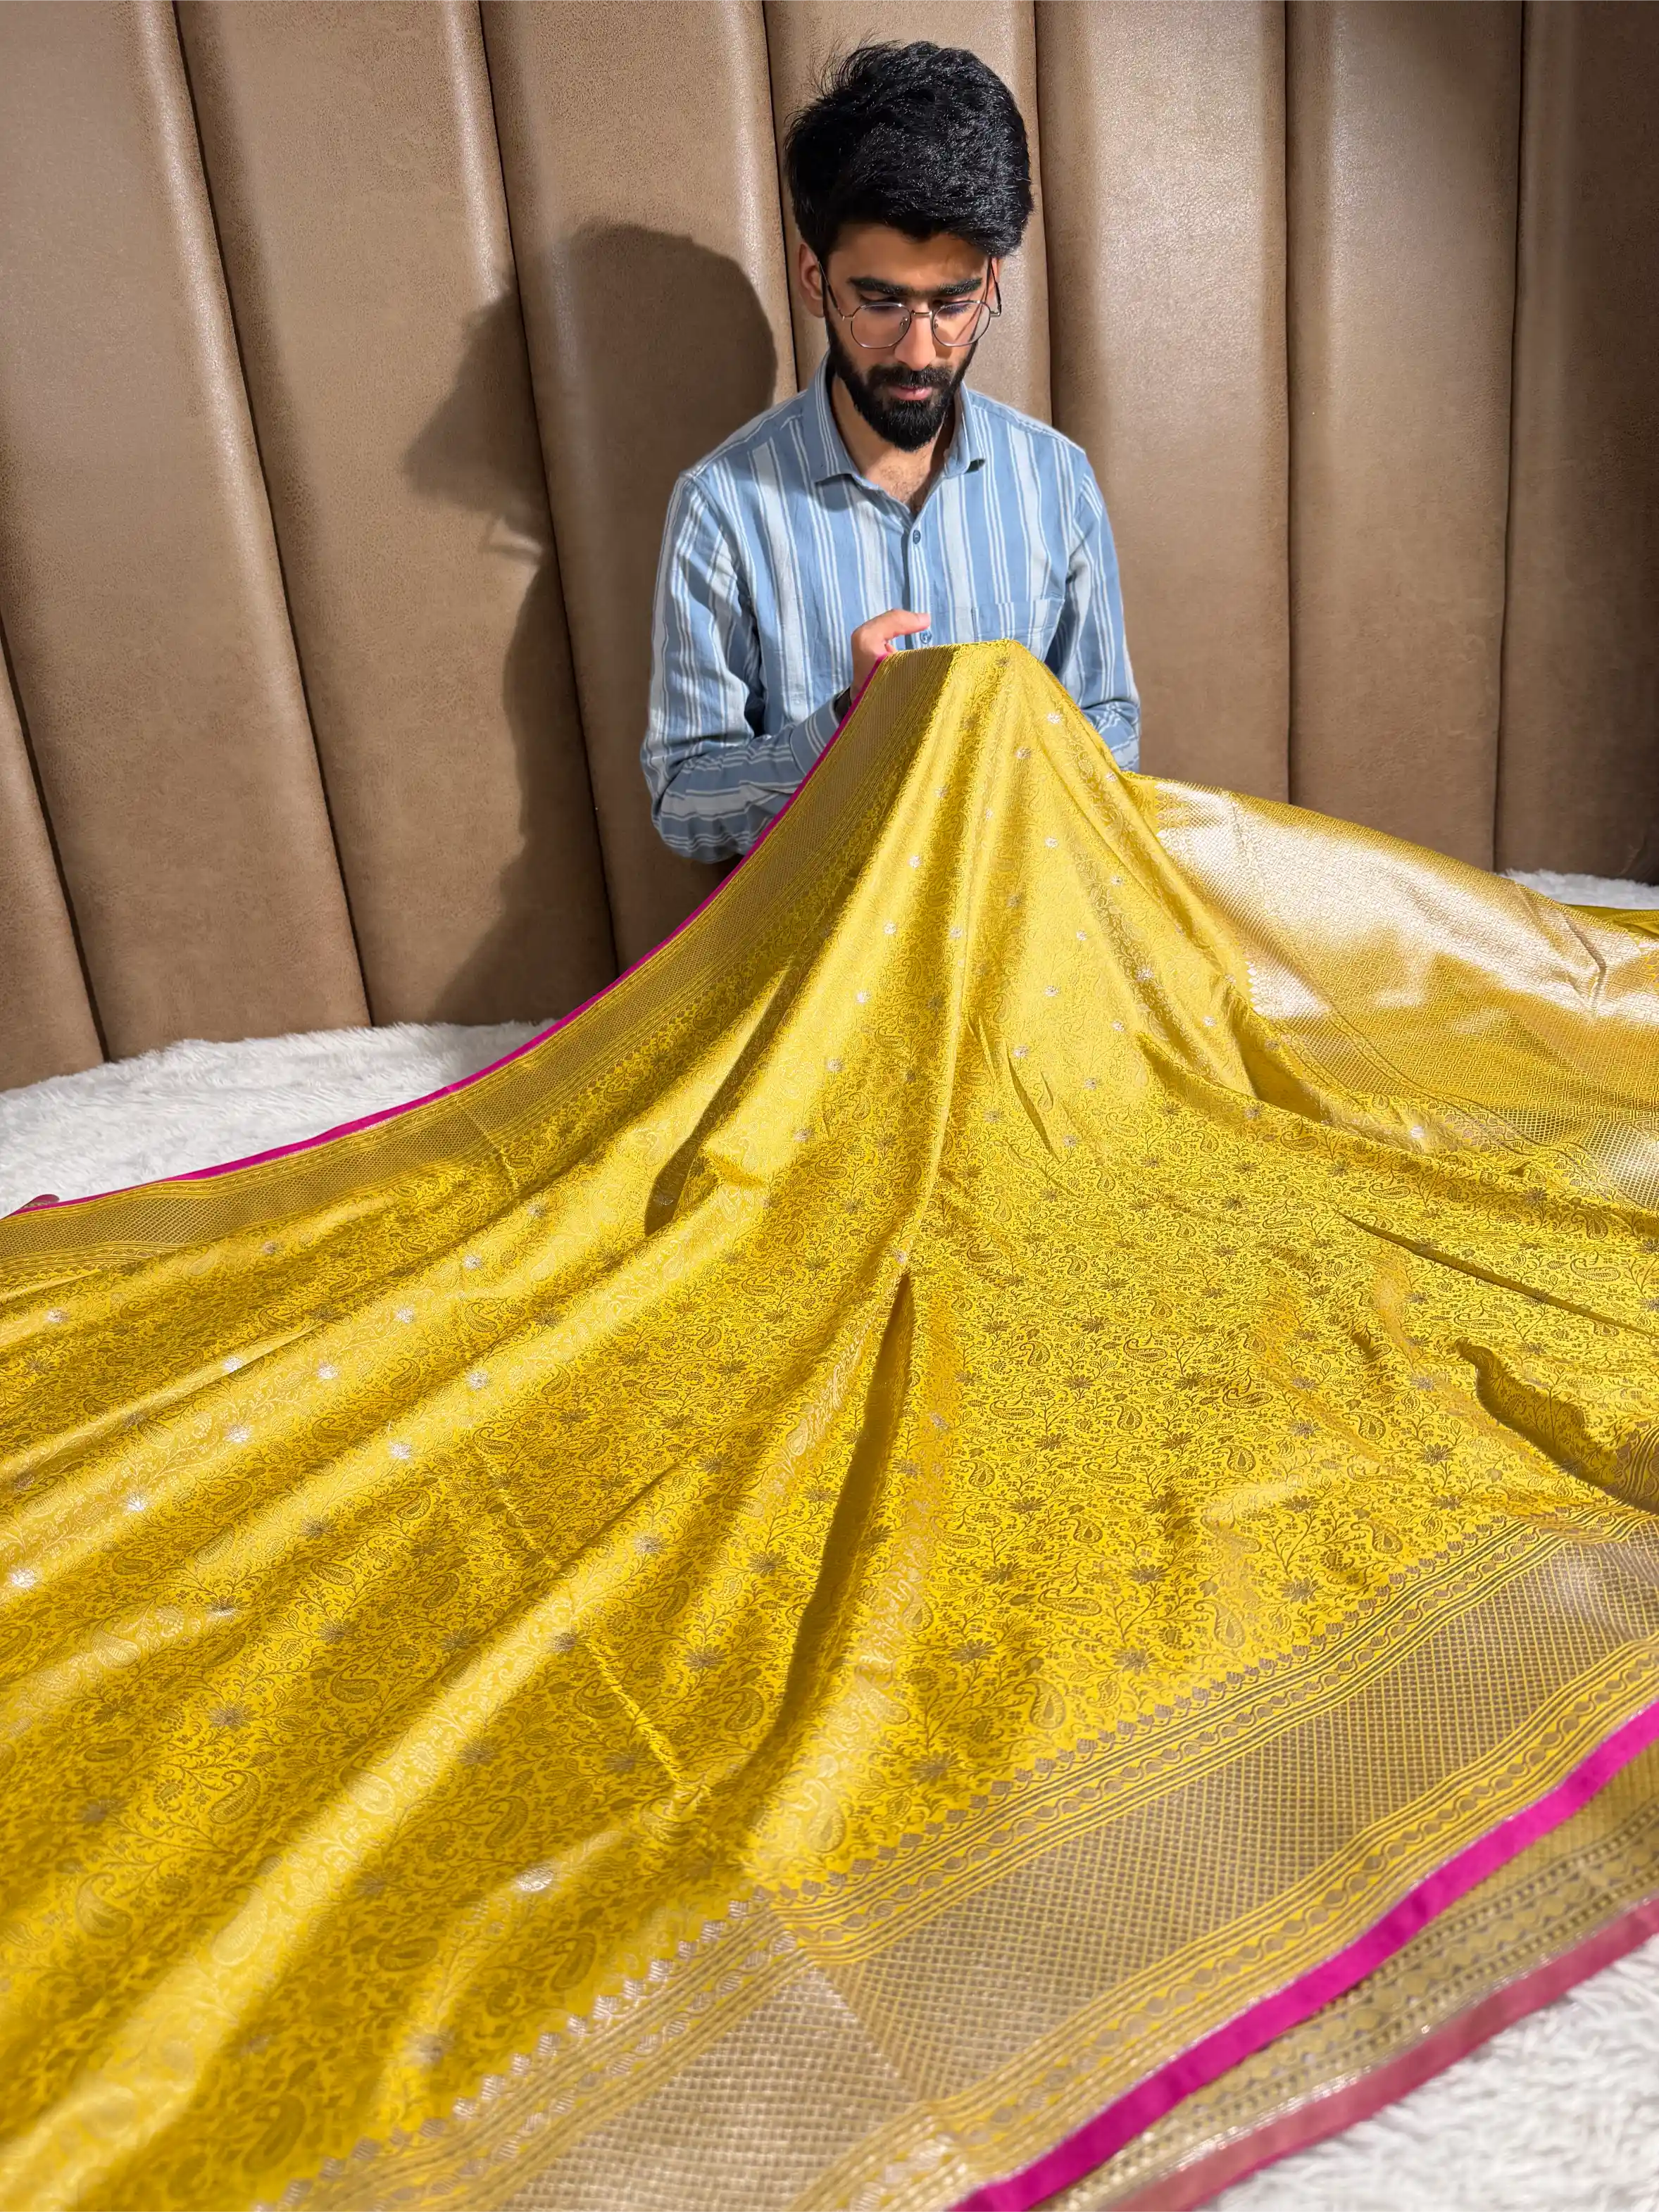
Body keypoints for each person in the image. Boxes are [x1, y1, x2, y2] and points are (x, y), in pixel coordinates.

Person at [641, 41, 1139, 862]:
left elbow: (1111, 725)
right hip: (831, 923)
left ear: (992, 281)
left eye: (953, 304)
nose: (919, 351)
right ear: (815, 280)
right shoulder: (721, 506)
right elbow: (684, 805)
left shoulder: (1057, 479)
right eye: (879, 303)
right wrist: (844, 729)